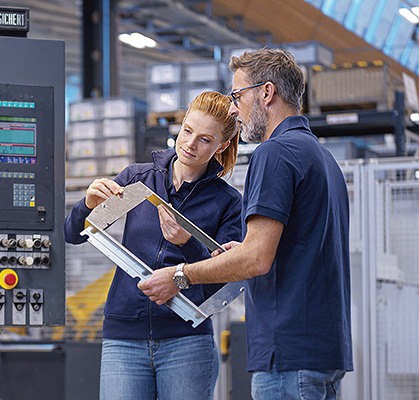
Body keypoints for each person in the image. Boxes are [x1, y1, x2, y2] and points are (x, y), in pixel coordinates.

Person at [138, 48, 353, 400]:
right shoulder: (322, 157)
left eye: (237, 95)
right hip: (324, 350)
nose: (233, 108)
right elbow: (293, 246)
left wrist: (180, 275)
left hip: (286, 354)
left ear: (266, 93)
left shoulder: (274, 153)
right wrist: (246, 247)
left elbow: (256, 259)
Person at [64, 91, 242, 400]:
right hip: (124, 340)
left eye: (204, 139)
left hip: (186, 341)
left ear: (221, 146)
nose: (190, 144)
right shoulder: (138, 179)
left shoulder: (228, 202)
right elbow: (74, 234)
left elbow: (225, 279)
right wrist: (87, 204)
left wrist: (186, 244)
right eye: (187, 130)